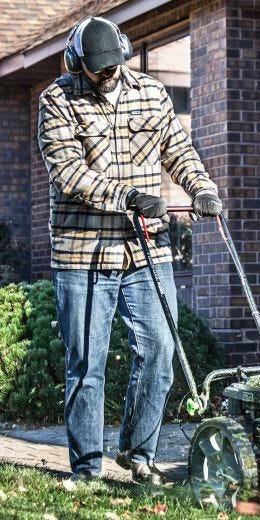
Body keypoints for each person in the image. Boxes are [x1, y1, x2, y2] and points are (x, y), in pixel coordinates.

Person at [37, 16, 222, 485]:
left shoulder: (151, 92)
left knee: (161, 347)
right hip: (83, 252)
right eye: (98, 69)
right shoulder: (57, 101)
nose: (108, 74)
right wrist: (127, 197)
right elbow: (69, 174)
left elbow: (178, 149)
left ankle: (138, 454)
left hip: (147, 246)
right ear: (78, 64)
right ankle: (86, 467)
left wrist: (201, 189)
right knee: (86, 363)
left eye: (113, 65)